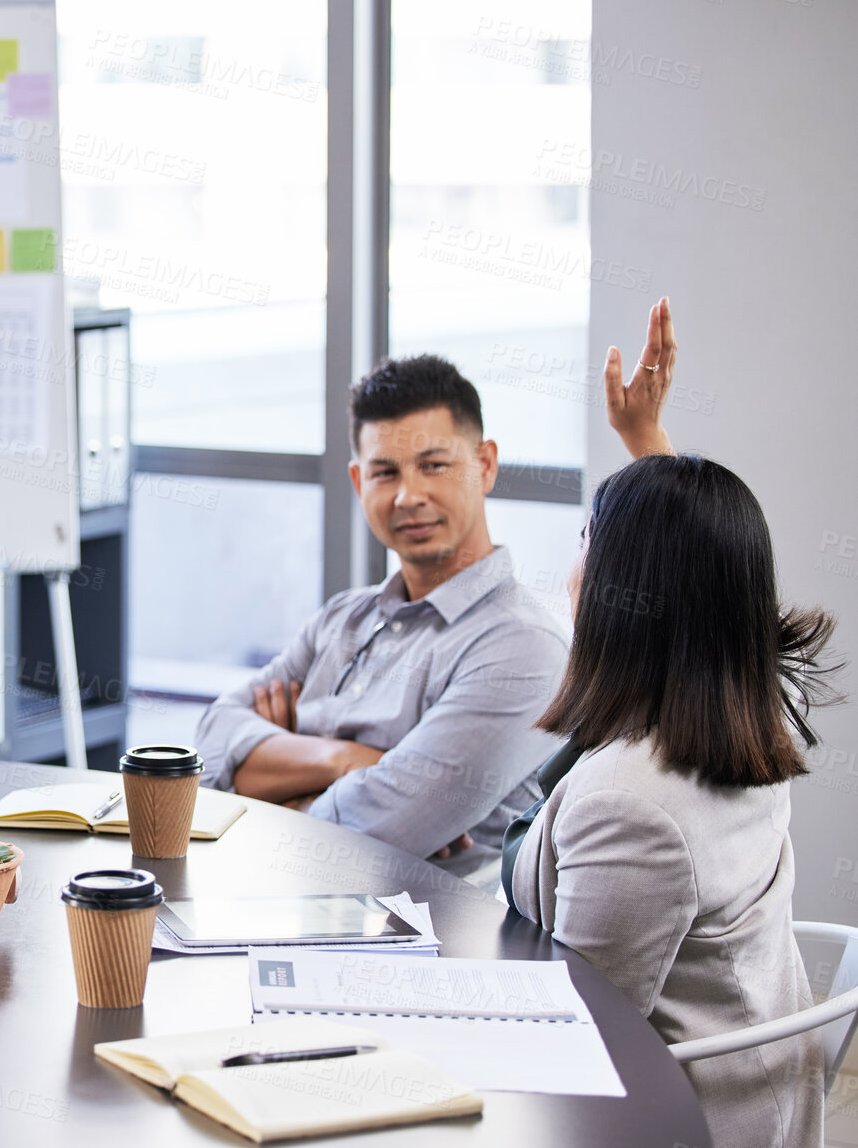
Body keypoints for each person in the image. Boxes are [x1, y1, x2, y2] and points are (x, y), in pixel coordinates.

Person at [506, 299, 831, 1147]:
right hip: (759, 1101)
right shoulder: (745, 707)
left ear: (619, 589)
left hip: (676, 1125)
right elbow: (710, 576)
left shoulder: (630, 804)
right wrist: (647, 439)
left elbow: (569, 1043)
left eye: (585, 541)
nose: (570, 566)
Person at [196, 355, 568, 884]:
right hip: (286, 905)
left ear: (485, 465)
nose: (408, 496)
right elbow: (207, 746)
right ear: (357, 480)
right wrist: (346, 761)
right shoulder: (342, 618)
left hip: (435, 948)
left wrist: (270, 777)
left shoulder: (523, 648)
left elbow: (371, 833)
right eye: (385, 472)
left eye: (434, 465)